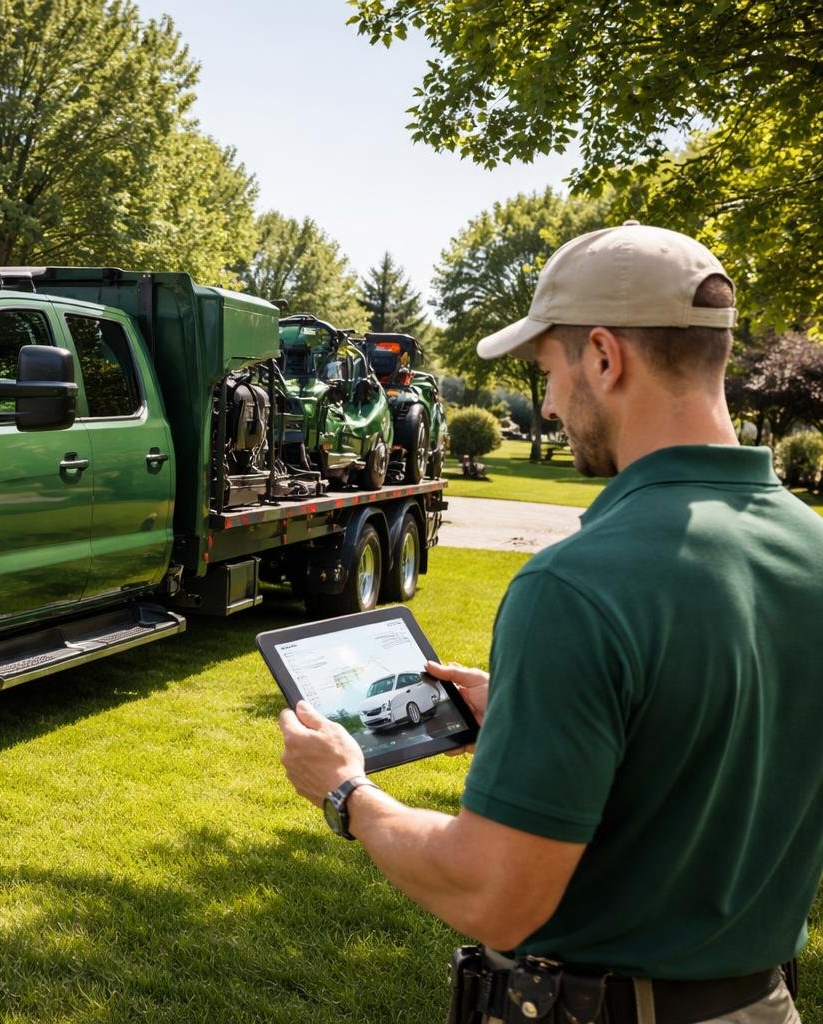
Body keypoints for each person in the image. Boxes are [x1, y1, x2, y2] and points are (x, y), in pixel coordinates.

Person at [279, 221, 823, 1023]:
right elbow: (722, 741)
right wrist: (534, 716)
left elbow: (493, 894)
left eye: (548, 371)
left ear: (603, 357)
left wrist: (345, 791)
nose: (551, 404)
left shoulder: (574, 585)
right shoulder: (810, 547)